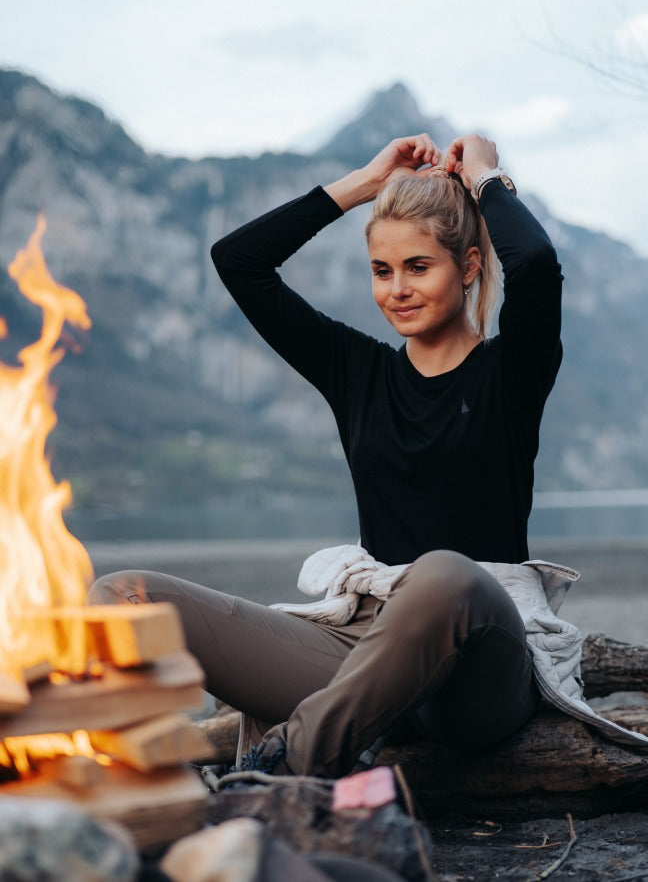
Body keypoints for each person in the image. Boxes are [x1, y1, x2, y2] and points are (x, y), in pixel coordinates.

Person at [89, 132, 565, 778]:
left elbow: (535, 264)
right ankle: (120, 782)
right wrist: (363, 185)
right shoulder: (356, 372)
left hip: (475, 666)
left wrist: (485, 174)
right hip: (365, 646)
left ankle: (280, 766)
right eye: (381, 269)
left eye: (418, 266)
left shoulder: (511, 374)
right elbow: (239, 261)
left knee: (443, 575)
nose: (397, 289)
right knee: (123, 594)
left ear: (471, 266)